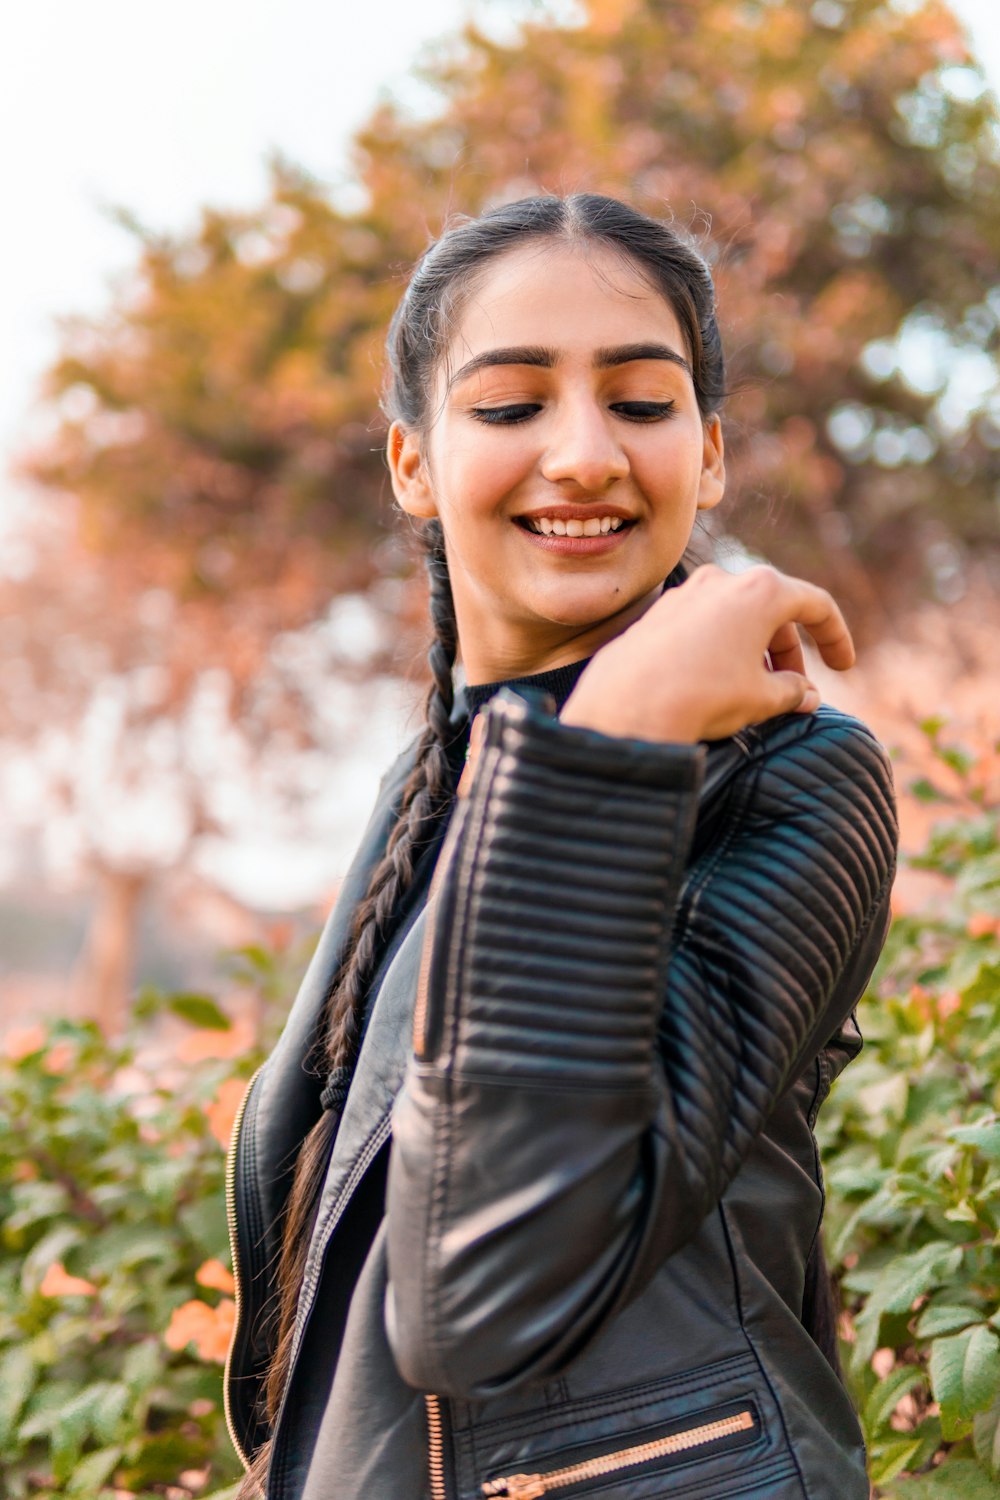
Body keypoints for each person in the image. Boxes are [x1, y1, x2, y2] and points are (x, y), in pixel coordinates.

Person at [224, 193, 898, 1500]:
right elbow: (365, 1281)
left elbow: (482, 1300)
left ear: (705, 457)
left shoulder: (793, 774)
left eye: (641, 405)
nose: (584, 455)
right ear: (412, 461)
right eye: (511, 404)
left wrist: (624, 727)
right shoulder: (431, 785)